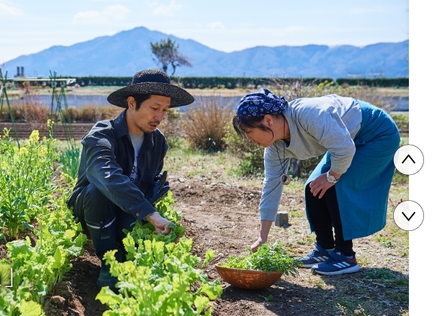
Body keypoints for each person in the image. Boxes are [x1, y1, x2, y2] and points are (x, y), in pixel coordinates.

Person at [233, 88, 400, 275]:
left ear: (268, 120)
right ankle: (325, 249)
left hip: (376, 134)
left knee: (337, 187)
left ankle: (346, 256)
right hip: (347, 139)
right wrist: (262, 237)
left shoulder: (309, 114)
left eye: (248, 131)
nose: (248, 138)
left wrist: (331, 177)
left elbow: (344, 149)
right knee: (313, 187)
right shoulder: (275, 148)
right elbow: (271, 187)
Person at [67, 69, 194, 289]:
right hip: (92, 214)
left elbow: (148, 188)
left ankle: (125, 253)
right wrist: (152, 216)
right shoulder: (101, 135)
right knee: (99, 191)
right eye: (154, 108)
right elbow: (107, 176)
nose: (160, 117)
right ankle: (109, 262)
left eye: (165, 110)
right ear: (132, 102)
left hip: (130, 214)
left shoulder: (158, 143)